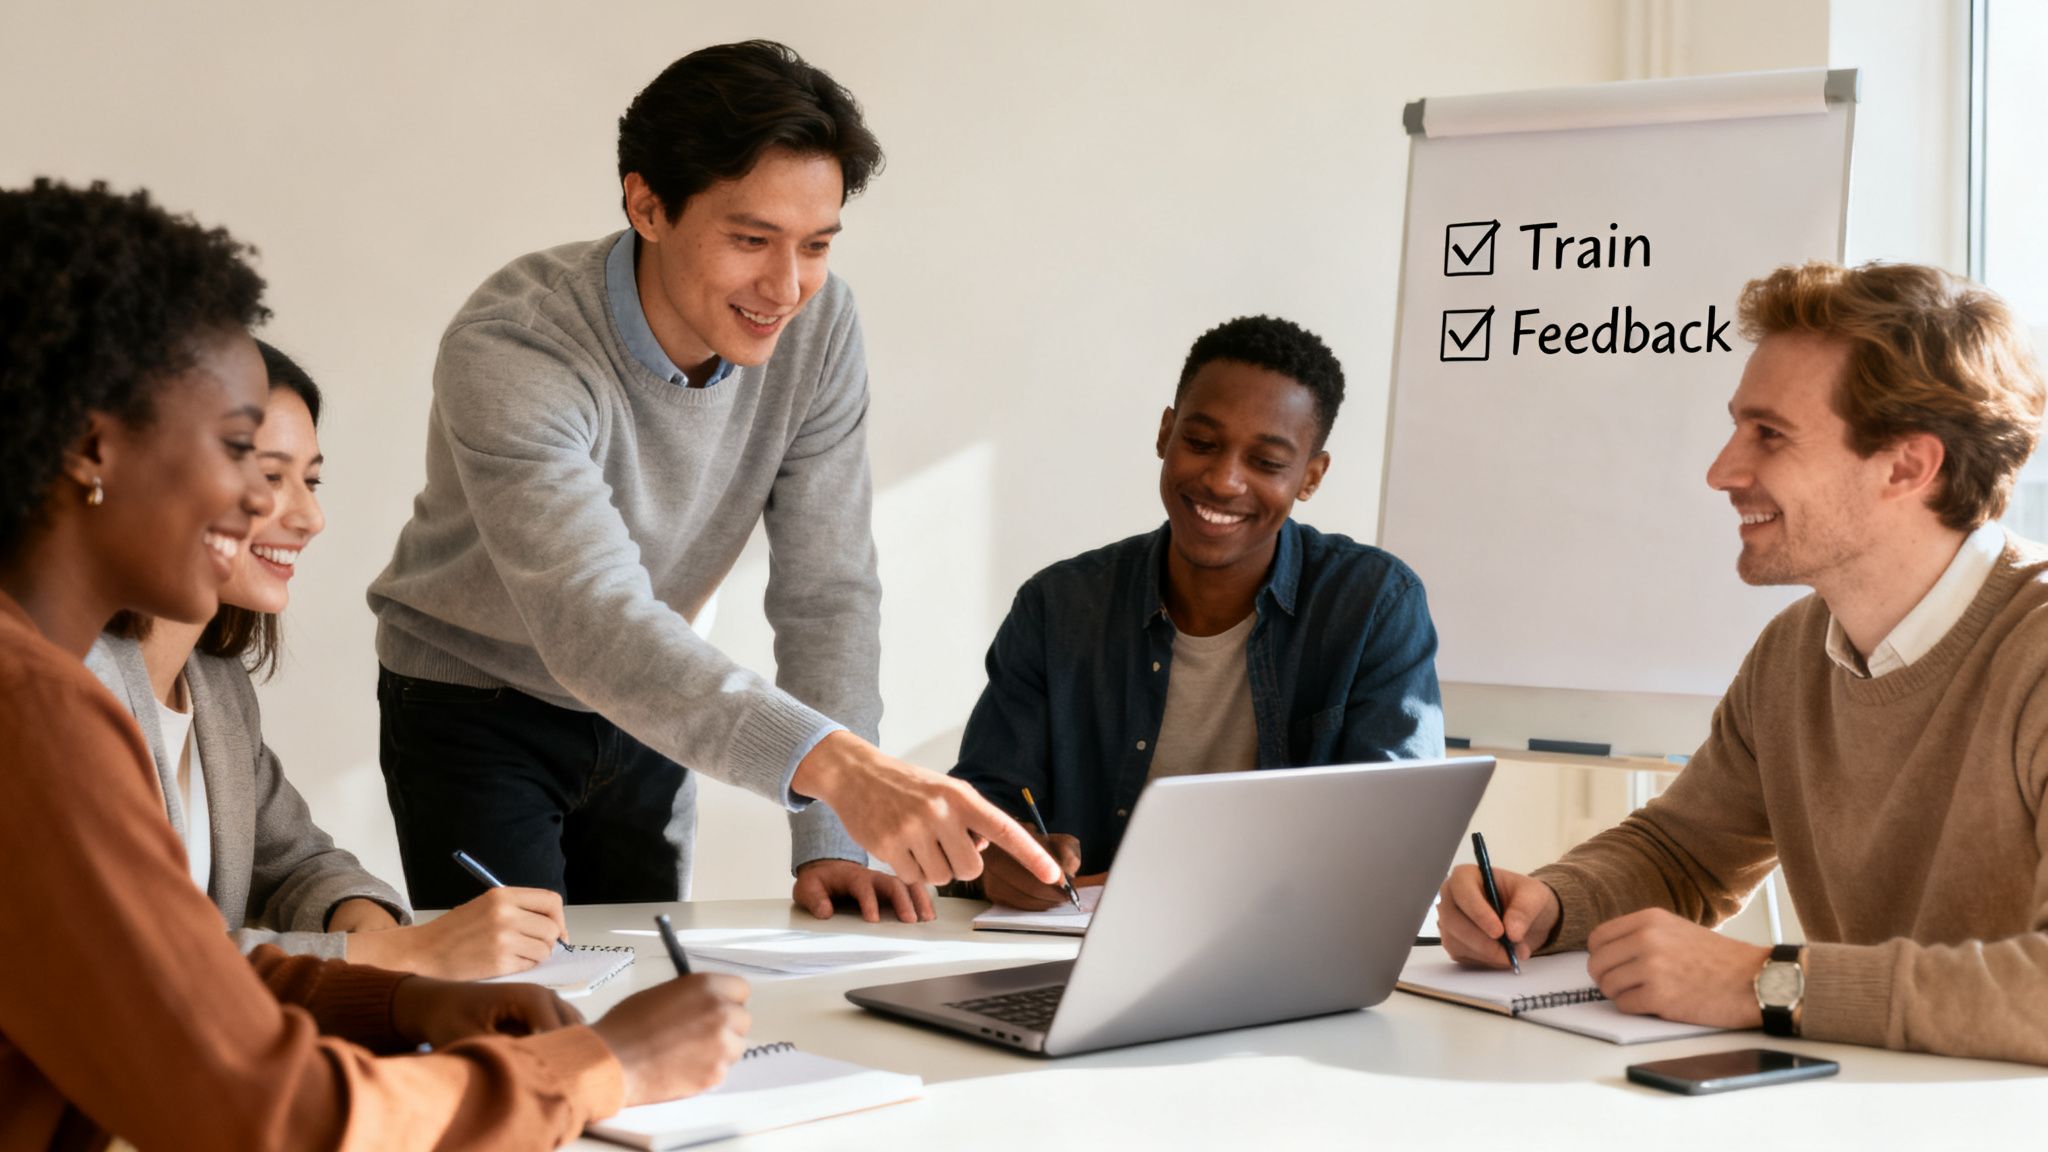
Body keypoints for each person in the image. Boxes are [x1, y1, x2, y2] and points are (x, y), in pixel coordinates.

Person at [0, 177, 750, 1149]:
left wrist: (396, 1004)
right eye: (239, 452)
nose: (262, 504)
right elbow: (265, 1114)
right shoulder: (33, 714)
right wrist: (599, 1068)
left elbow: (155, 974)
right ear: (94, 447)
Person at [366, 39, 1057, 920]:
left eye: (816, 245)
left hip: (656, 704)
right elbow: (593, 621)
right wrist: (845, 772)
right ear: (645, 203)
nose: (786, 286)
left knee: (654, 991)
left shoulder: (821, 326)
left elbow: (828, 589)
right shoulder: (516, 344)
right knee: (519, 1009)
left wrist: (834, 838)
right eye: (750, 239)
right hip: (474, 704)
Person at [1437, 261, 2048, 1066]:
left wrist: (1769, 983)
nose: (1722, 471)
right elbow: (1684, 853)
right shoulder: (1797, 651)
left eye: (1770, 434)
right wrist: (1552, 904)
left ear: (1906, 466)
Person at [88, 341, 567, 977]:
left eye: (309, 481)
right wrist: (395, 953)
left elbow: (296, 864)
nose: (310, 516)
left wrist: (358, 919)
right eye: (267, 476)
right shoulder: (73, 681)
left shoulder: (214, 684)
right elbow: (131, 961)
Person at [953, 315, 1447, 909]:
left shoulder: (1373, 605)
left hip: (1278, 950)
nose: (1223, 480)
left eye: (1266, 462)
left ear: (1311, 477)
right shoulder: (1057, 607)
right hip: (1068, 957)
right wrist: (995, 859)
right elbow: (981, 813)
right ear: (1166, 432)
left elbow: (1396, 836)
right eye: (1202, 443)